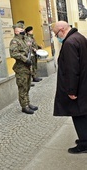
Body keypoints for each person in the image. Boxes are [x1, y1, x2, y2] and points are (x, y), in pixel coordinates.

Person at [52, 21, 87, 154]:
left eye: (56, 34)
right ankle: (84, 138)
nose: (57, 37)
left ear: (61, 29)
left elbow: (72, 69)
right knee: (83, 113)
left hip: (77, 86)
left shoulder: (70, 43)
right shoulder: (79, 37)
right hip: (83, 83)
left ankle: (84, 143)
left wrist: (71, 90)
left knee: (78, 114)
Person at [9, 22, 38, 114]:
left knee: (28, 86)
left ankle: (28, 103)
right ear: (16, 31)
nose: (23, 31)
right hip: (21, 68)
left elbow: (31, 44)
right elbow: (14, 53)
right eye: (21, 30)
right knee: (22, 87)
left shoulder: (25, 39)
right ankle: (24, 106)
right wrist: (25, 59)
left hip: (28, 67)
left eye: (23, 30)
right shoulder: (15, 41)